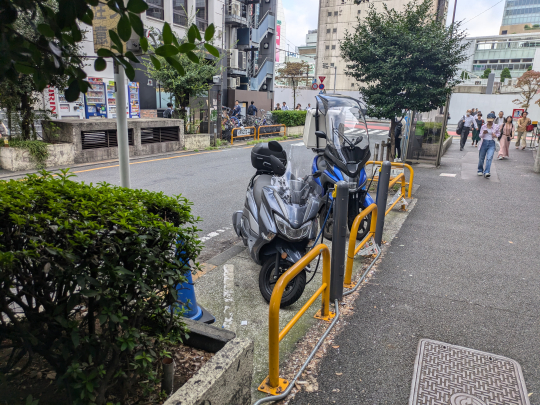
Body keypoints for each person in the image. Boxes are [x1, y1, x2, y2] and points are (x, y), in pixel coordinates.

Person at [477, 113, 499, 178]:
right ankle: (480, 170)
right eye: (488, 120)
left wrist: (495, 135)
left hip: (492, 143)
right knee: (481, 158)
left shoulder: (496, 126)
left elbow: (498, 133)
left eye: (491, 120)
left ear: (493, 119)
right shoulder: (483, 126)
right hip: (484, 142)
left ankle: (487, 172)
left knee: (489, 158)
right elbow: (480, 135)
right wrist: (483, 133)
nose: (489, 121)